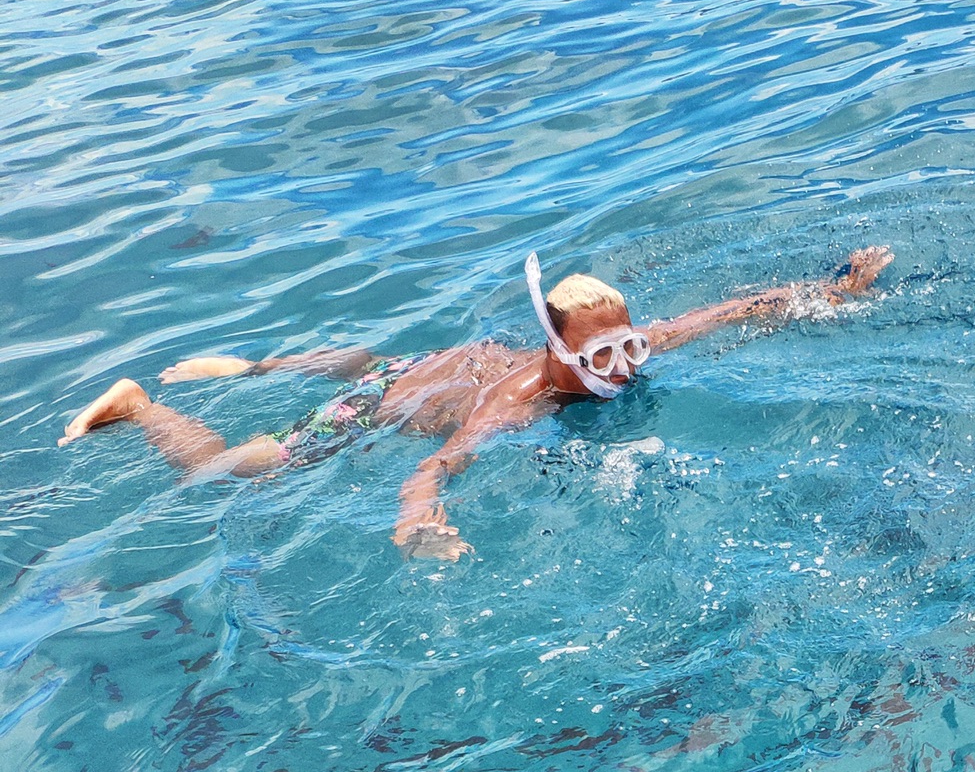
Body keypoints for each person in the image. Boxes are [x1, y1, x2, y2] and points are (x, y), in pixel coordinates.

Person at [58, 245, 894, 560]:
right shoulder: (524, 401)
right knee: (234, 471)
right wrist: (418, 513)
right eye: (603, 355)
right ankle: (139, 405)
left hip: (437, 362)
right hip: (385, 409)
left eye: (630, 346)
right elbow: (437, 460)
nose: (626, 368)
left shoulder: (623, 349)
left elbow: (720, 314)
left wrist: (836, 289)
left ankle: (255, 363)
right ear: (558, 350)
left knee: (360, 360)